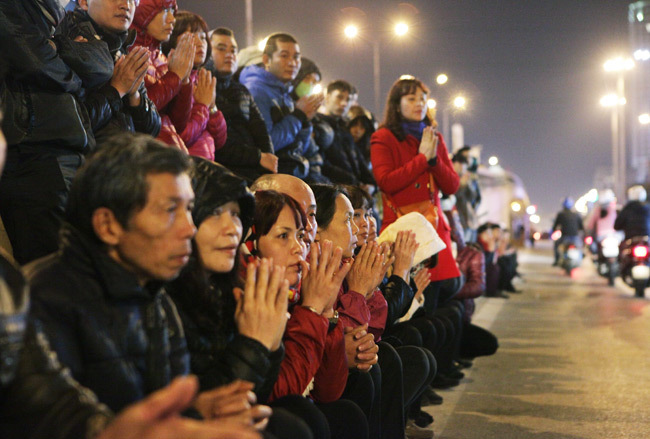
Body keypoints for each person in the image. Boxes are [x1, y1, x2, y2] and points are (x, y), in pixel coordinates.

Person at [0, 109, 258, 439]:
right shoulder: (45, 297)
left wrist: (196, 413)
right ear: (108, 225)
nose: (188, 228)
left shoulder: (156, 299)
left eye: (189, 209)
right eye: (169, 210)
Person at [165, 159, 316, 439]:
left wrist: (269, 347)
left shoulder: (225, 290)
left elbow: (258, 393)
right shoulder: (166, 298)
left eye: (235, 214)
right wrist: (257, 344)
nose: (231, 227)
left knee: (299, 418)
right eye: (215, 213)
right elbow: (218, 403)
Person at [248, 190, 369, 439]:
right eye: (284, 236)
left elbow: (328, 391)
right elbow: (284, 394)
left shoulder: (300, 286)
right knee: (303, 417)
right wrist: (313, 310)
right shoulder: (246, 295)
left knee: (348, 409)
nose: (298, 246)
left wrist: (327, 315)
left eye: (300, 235)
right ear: (252, 242)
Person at [0, 0, 101, 264]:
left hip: (77, 155)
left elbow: (102, 63)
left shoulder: (66, 19)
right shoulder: (10, 8)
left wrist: (58, 48)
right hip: (35, 157)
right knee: (57, 269)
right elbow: (35, 60)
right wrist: (76, 81)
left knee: (82, 268)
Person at [370, 76, 462, 317]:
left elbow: (452, 185)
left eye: (423, 98)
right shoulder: (384, 137)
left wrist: (433, 160)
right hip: (405, 232)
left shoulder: (434, 137)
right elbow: (386, 182)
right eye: (411, 98)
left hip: (434, 228)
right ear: (396, 104)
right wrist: (422, 159)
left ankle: (441, 355)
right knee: (413, 311)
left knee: (440, 307)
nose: (419, 103)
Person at [60, 0, 161, 143]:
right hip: (89, 163)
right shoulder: (68, 41)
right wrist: (116, 90)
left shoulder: (123, 49)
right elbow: (69, 126)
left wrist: (134, 95)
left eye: (132, 0)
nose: (125, 5)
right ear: (84, 2)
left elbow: (152, 131)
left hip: (124, 159)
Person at [239, 33, 323, 178]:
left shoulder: (284, 92)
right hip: (270, 178)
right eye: (284, 56)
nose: (292, 63)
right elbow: (268, 145)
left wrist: (305, 120)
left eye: (296, 57)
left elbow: (299, 148)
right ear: (267, 59)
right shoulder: (256, 91)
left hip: (294, 173)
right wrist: (298, 116)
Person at [208, 27, 277, 183]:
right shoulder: (201, 86)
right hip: (224, 172)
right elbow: (218, 142)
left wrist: (268, 158)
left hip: (255, 168)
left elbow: (260, 129)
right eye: (221, 49)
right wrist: (258, 157)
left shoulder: (241, 90)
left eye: (233, 50)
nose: (229, 55)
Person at [129, 0, 196, 152]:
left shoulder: (161, 58)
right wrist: (175, 76)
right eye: (165, 10)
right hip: (146, 155)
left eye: (173, 11)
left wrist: (184, 81)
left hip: (172, 152)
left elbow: (178, 123)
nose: (173, 19)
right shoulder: (130, 53)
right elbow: (140, 109)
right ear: (142, 11)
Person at [161, 10, 227, 160]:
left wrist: (212, 107)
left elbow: (220, 140)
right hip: (183, 167)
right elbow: (180, 136)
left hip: (205, 165)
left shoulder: (200, 78)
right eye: (191, 36)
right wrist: (203, 106)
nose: (200, 43)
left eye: (203, 37)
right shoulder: (168, 77)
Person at [315, 80, 376, 191]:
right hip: (331, 191)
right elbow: (322, 163)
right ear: (327, 97)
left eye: (348, 100)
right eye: (339, 97)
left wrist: (371, 185)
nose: (344, 103)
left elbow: (359, 162)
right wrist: (353, 183)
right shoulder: (317, 125)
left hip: (352, 192)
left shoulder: (345, 131)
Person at [551, 197, 583, 266]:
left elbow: (555, 226)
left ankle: (557, 260)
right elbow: (581, 227)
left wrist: (554, 230)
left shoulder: (560, 214)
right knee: (580, 247)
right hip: (575, 236)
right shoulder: (576, 215)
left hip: (564, 236)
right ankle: (580, 259)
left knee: (556, 245)